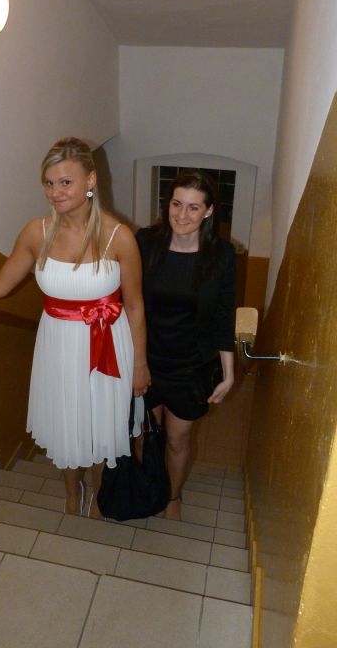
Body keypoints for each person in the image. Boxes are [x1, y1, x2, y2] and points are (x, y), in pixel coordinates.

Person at [0, 137, 150, 519]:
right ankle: (72, 491)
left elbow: (134, 305)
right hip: (58, 345)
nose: (55, 192)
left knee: (101, 424)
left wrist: (140, 365)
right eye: (49, 183)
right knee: (66, 424)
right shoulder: (38, 233)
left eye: (65, 182)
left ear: (90, 180)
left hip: (107, 345)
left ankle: (100, 489)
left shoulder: (119, 237)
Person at [136, 169, 236, 521]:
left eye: (193, 207)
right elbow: (128, 302)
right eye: (176, 204)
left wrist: (228, 373)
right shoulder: (145, 242)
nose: (181, 214)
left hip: (191, 366)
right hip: (145, 360)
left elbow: (223, 316)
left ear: (209, 211)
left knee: (177, 440)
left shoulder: (222, 255)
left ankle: (172, 496)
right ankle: (147, 487)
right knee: (143, 434)